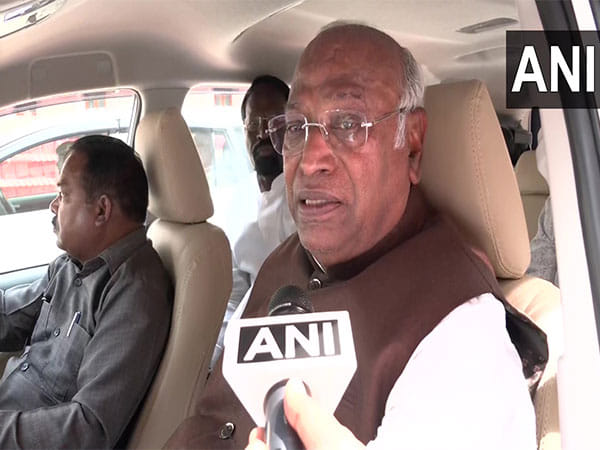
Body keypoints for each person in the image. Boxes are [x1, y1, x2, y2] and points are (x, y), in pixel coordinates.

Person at [165, 23, 546, 450]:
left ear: (412, 146)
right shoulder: (284, 258)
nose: (310, 160)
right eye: (296, 126)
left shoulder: (462, 336)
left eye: (348, 123)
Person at [0, 135, 172, 449]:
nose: (53, 206)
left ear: (102, 210)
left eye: (63, 194)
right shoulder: (69, 266)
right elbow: (9, 317)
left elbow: (88, 427)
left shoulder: (135, 292)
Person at [211, 76, 296, 367]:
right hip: (245, 345)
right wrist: (214, 363)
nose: (263, 133)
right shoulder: (236, 200)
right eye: (254, 123)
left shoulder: (310, 198)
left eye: (275, 122)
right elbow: (234, 295)